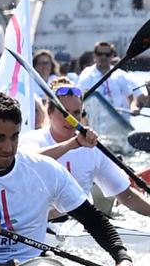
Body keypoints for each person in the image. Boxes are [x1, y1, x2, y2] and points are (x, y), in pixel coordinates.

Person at [0, 93, 138, 266]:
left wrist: (122, 257)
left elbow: (92, 219)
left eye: (14, 137)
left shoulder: (44, 169)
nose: (8, 148)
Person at [20, 78, 150, 221]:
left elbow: (127, 197)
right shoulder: (32, 139)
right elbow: (27, 161)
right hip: (41, 223)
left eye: (76, 113)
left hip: (81, 225)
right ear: (50, 112)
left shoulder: (92, 148)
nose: (71, 120)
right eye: (65, 113)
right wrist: (73, 143)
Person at [77, 41, 139, 119]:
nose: (103, 57)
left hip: (119, 123)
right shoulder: (86, 74)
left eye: (107, 54)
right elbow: (79, 98)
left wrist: (134, 107)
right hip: (95, 123)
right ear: (95, 55)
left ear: (112, 56)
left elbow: (130, 98)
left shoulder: (120, 75)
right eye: (100, 54)